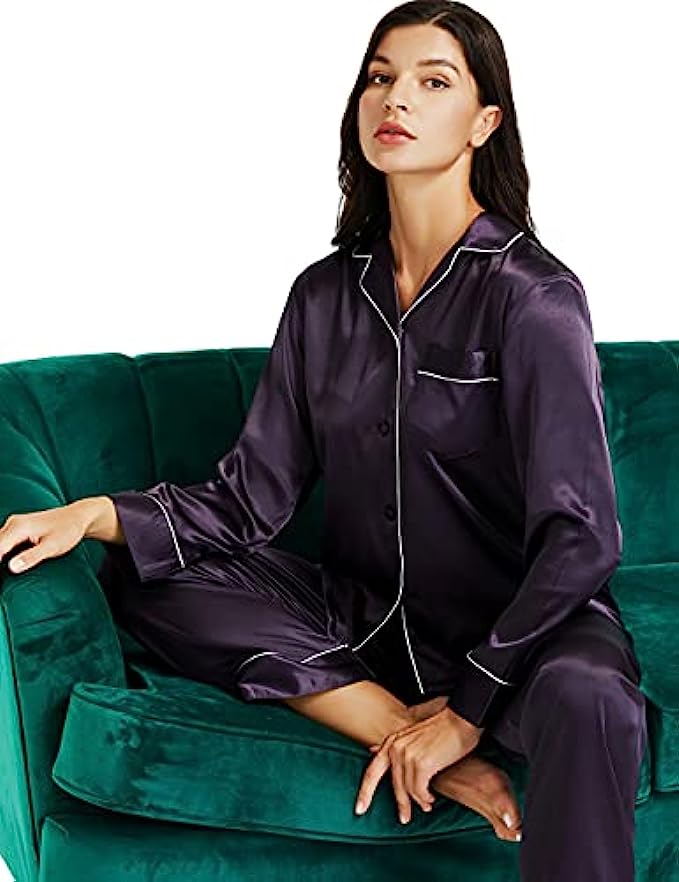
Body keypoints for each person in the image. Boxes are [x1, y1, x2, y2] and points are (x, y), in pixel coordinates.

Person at [0, 2, 647, 879]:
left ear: (484, 123)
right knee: (149, 575)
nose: (396, 98)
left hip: (519, 638)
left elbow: (582, 538)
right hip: (364, 621)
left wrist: (467, 710)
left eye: (433, 81)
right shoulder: (323, 296)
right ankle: (386, 720)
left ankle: (444, 730)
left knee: (592, 698)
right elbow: (247, 500)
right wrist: (89, 516)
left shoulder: (532, 297)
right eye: (380, 77)